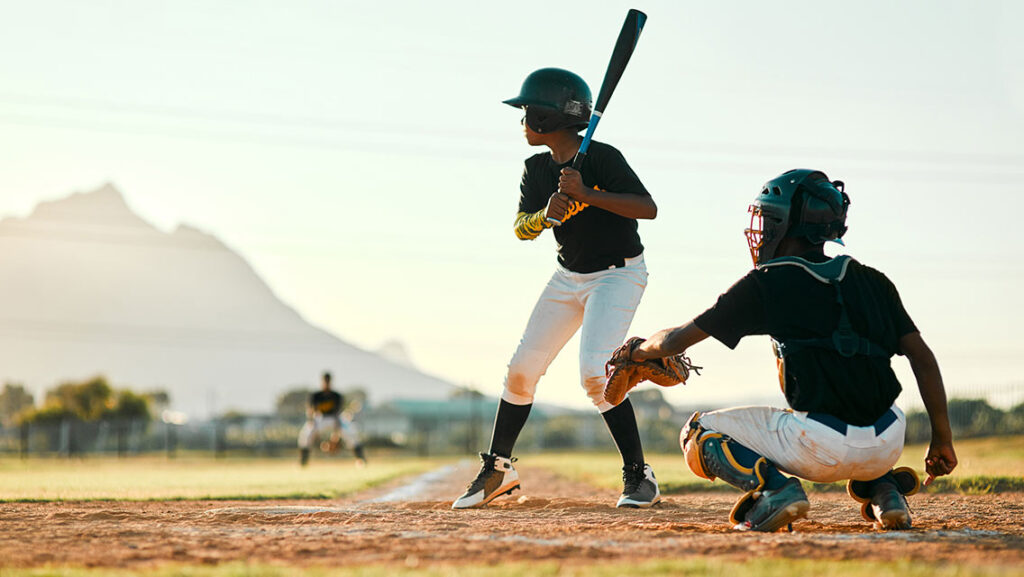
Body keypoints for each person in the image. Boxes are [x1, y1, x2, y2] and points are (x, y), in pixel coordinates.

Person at [618, 169, 957, 531]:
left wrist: (637, 351)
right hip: (889, 439)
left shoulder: (767, 282)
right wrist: (942, 439)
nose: (762, 229)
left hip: (819, 447)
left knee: (697, 431)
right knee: (843, 408)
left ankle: (775, 490)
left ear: (785, 224)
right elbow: (923, 358)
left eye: (767, 219)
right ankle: (886, 490)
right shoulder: (873, 279)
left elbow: (674, 342)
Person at [452, 68, 660, 509]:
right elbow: (520, 230)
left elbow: (648, 208)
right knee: (522, 369)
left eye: (527, 112)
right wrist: (546, 215)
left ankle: (640, 476)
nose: (522, 121)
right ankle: (499, 469)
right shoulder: (536, 169)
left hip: (619, 274)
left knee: (593, 374)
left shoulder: (603, 159)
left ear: (547, 118)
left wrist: (589, 193)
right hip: (569, 277)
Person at [298, 371, 366, 467]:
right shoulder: (316, 395)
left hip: (335, 418)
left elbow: (338, 412)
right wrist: (311, 421)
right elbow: (311, 411)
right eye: (325, 381)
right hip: (319, 418)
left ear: (331, 382)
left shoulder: (336, 396)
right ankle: (303, 462)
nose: (327, 383)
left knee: (351, 432)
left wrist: (335, 436)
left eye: (328, 381)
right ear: (322, 382)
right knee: (306, 434)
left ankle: (360, 459)